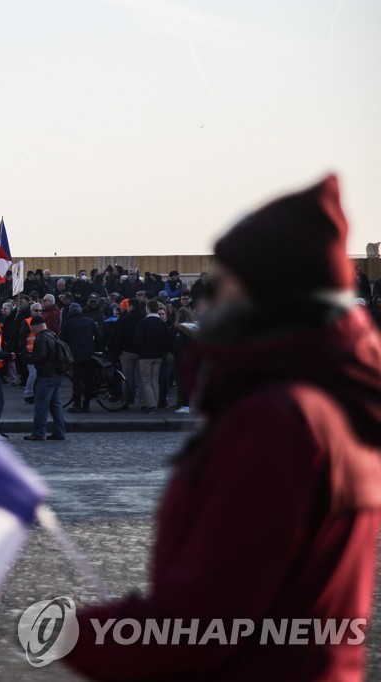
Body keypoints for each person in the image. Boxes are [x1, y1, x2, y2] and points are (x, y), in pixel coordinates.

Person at [65, 175, 381, 681]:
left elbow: (207, 621)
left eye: (224, 285)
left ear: (266, 293)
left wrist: (83, 634)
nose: (209, 303)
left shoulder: (278, 420)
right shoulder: (334, 406)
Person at [23, 316, 67, 441]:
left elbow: (40, 357)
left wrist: (27, 358)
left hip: (46, 376)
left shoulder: (41, 338)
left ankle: (39, 432)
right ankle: (60, 431)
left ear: (36, 326)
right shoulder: (52, 335)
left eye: (32, 328)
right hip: (56, 375)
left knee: (41, 405)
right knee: (55, 405)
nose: (32, 331)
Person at [60, 302, 104, 413]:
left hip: (74, 356)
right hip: (89, 355)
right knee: (88, 380)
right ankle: (87, 404)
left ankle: (77, 404)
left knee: (77, 380)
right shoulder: (89, 322)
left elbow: (61, 341)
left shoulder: (67, 323)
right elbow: (100, 336)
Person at [134, 298, 171, 414]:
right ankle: (155, 401)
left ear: (148, 309)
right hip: (158, 356)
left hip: (145, 356)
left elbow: (138, 340)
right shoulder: (162, 324)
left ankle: (151, 405)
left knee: (146, 381)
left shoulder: (142, 323)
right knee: (155, 380)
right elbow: (167, 342)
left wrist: (139, 350)